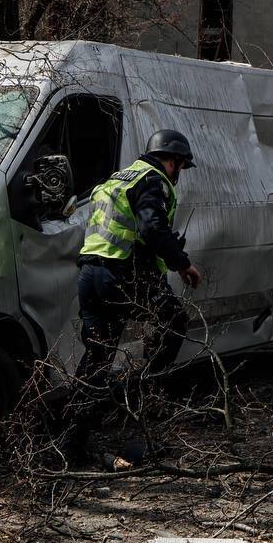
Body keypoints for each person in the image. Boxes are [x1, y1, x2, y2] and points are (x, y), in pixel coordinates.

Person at [63, 128, 203, 458]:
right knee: (174, 322)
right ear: (173, 161)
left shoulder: (114, 180)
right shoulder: (153, 179)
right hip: (124, 274)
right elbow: (152, 227)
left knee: (97, 357)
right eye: (180, 166)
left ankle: (71, 443)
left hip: (90, 275)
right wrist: (182, 263)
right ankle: (140, 397)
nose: (178, 173)